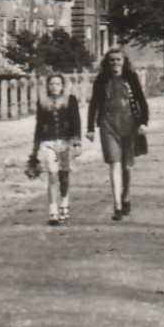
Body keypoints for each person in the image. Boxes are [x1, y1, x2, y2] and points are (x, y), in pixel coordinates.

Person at [86, 48, 149, 221]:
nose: (115, 63)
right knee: (114, 164)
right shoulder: (102, 79)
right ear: (107, 63)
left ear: (123, 62)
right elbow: (94, 104)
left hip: (129, 125)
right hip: (108, 125)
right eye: (112, 60)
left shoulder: (131, 78)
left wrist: (144, 122)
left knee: (127, 166)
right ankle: (117, 206)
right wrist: (90, 128)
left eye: (118, 60)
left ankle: (126, 197)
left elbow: (141, 101)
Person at [30, 74, 83, 225]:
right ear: (47, 86)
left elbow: (76, 121)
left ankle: (64, 204)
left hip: (65, 142)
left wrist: (77, 141)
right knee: (52, 174)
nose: (54, 87)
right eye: (51, 84)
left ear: (62, 86)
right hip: (48, 142)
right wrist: (35, 149)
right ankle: (52, 210)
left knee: (64, 176)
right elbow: (39, 126)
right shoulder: (42, 102)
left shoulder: (70, 101)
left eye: (57, 84)